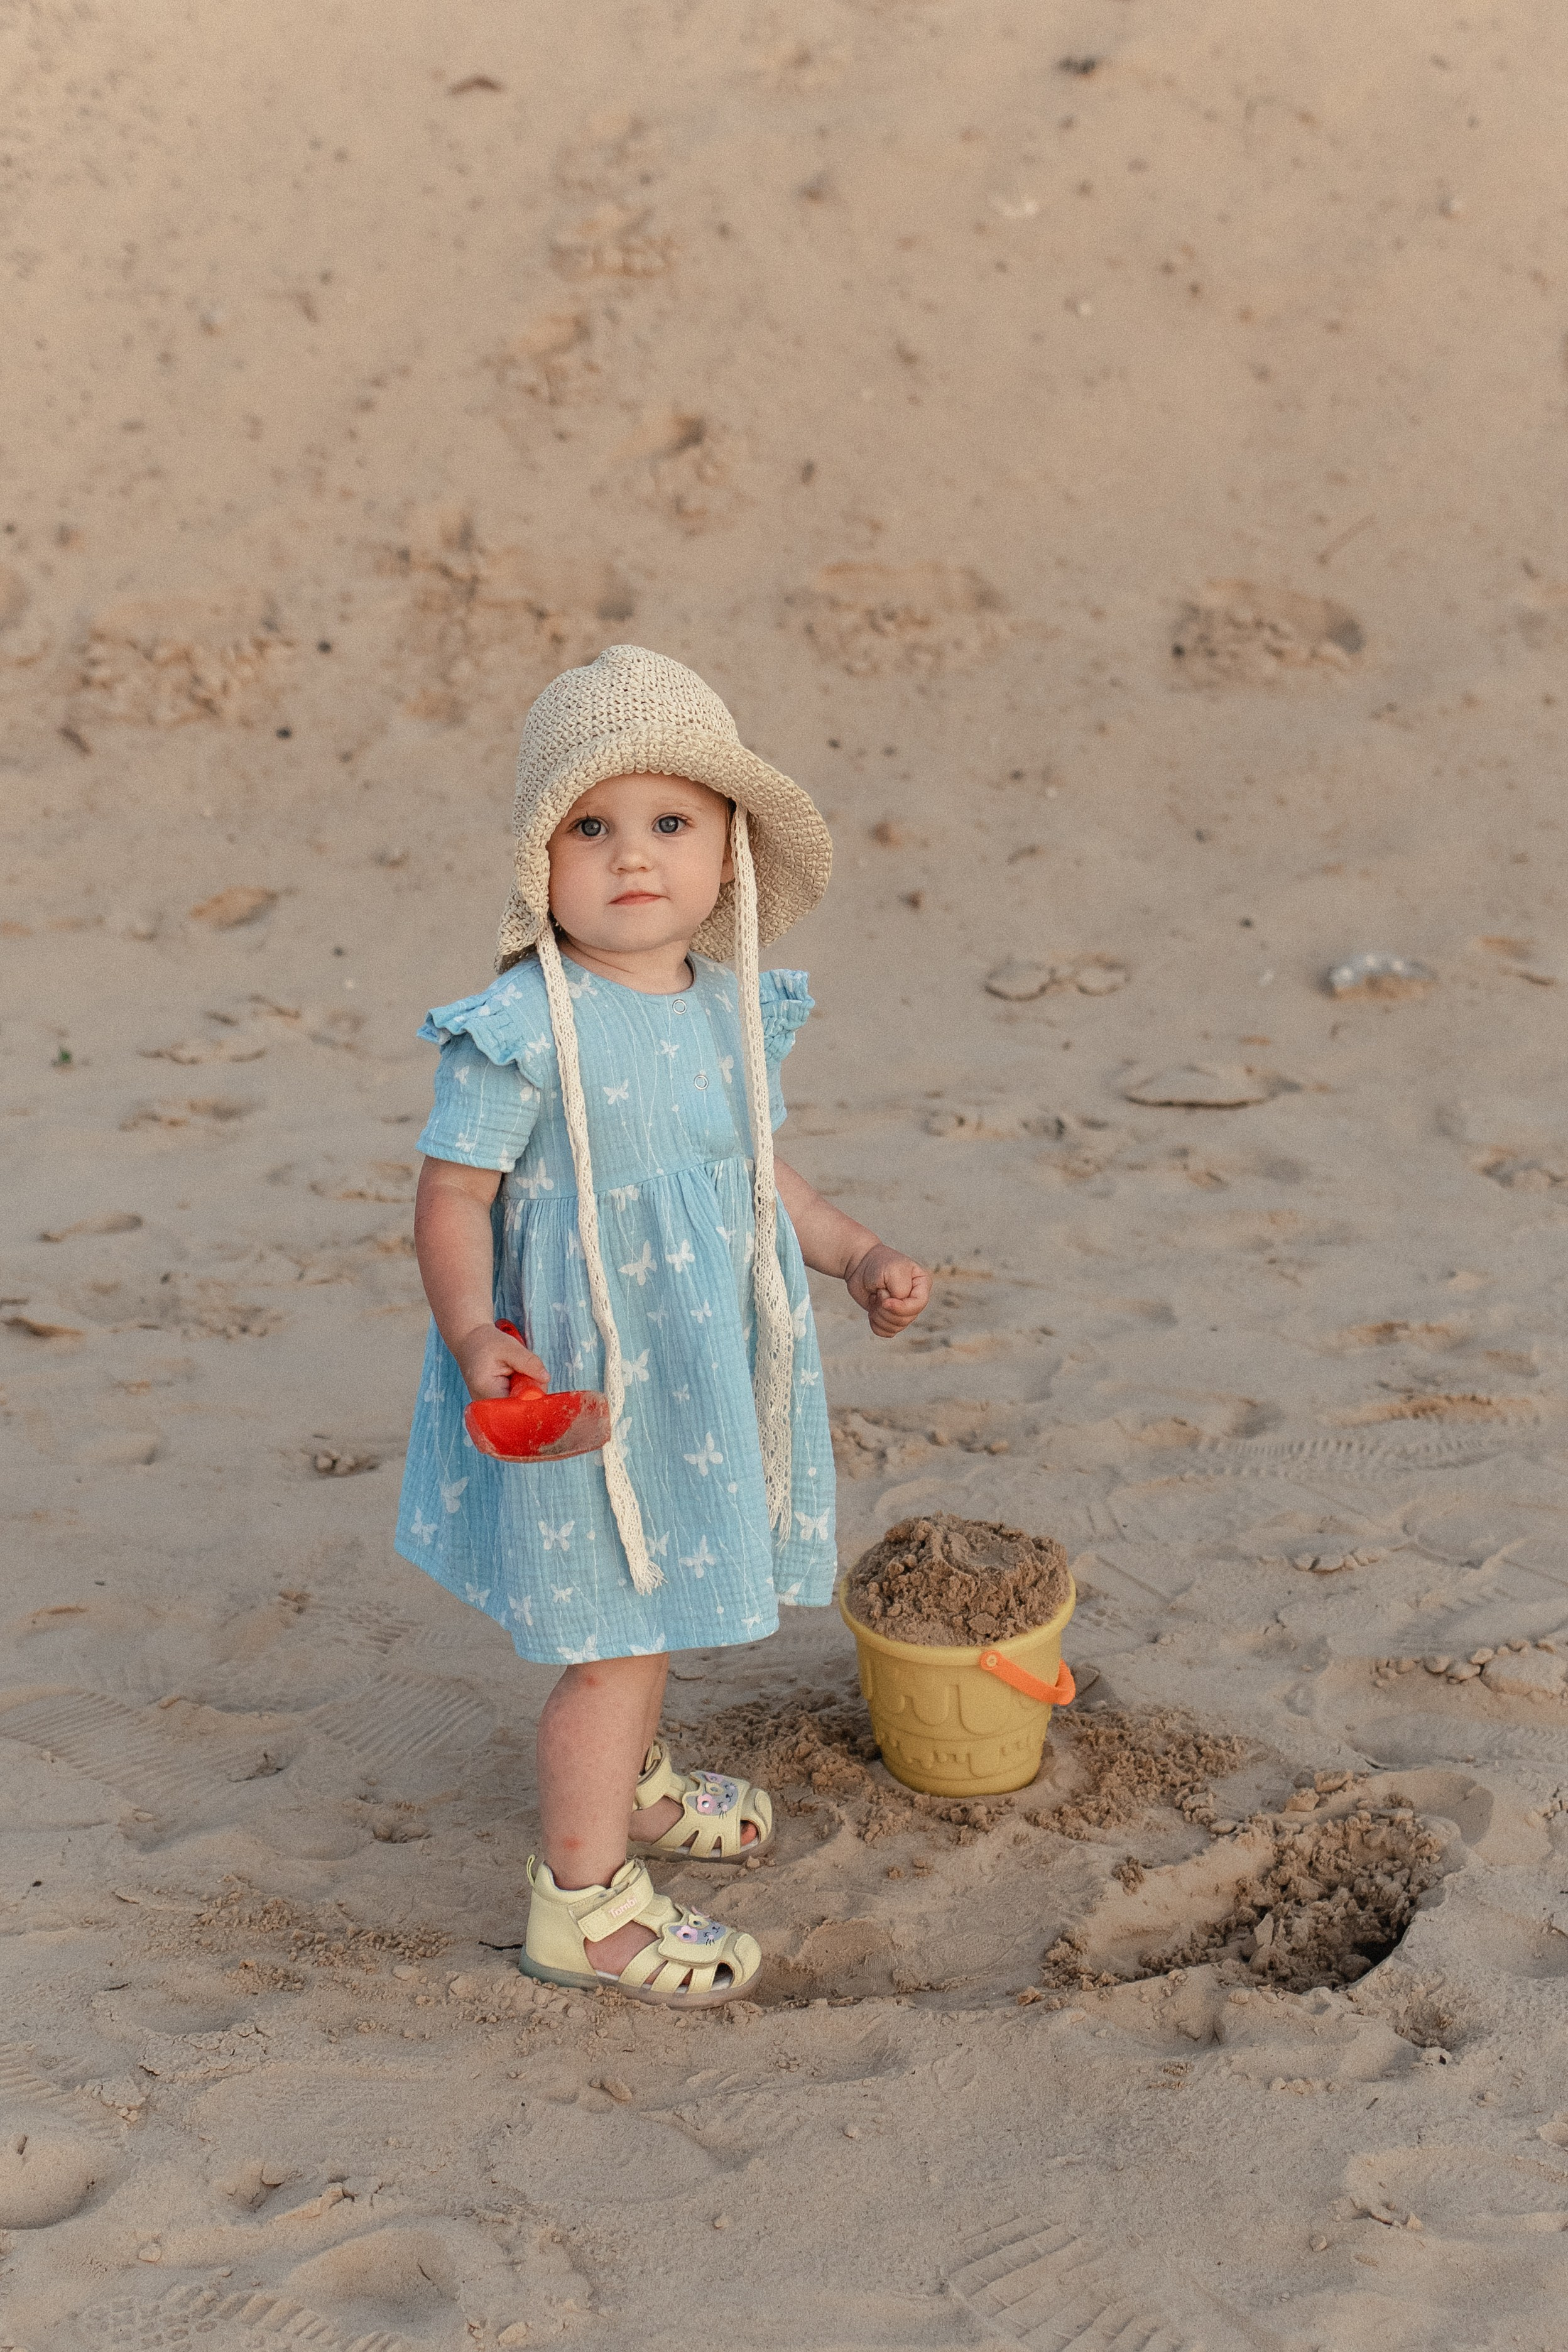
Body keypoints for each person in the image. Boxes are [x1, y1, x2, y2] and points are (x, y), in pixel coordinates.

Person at [397, 645, 931, 2006]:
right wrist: (475, 1336)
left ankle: (630, 1784)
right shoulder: (522, 1026)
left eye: (670, 822)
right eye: (593, 826)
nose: (633, 858)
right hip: (587, 1384)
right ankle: (582, 1905)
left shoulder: (729, 1009)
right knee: (613, 1633)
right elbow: (453, 1197)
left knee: (656, 1590)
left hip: (697, 1368)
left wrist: (853, 1253)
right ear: (543, 859)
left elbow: (754, 1175)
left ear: (729, 853)